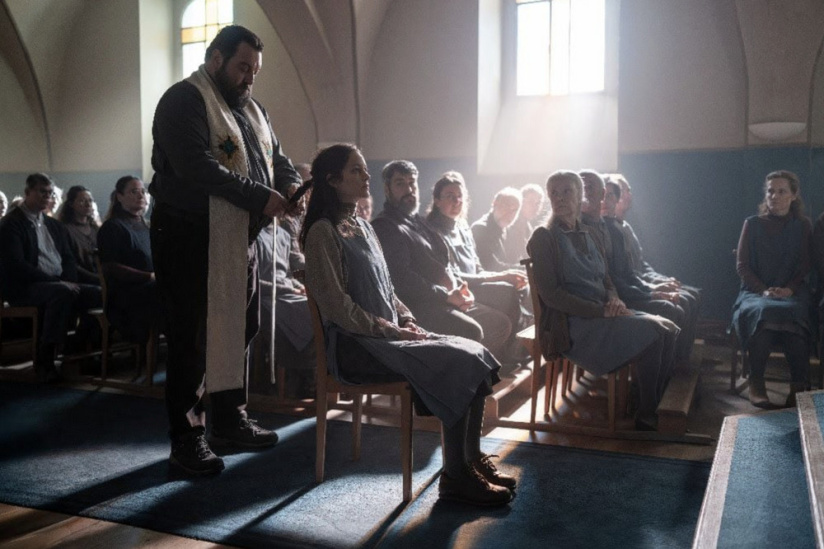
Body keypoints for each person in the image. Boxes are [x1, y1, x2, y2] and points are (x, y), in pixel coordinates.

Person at [301, 143, 514, 506]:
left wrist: (407, 317)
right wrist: (390, 329)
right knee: (458, 360)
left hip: (387, 336)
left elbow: (388, 287)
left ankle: (469, 459)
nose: (366, 176)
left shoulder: (362, 228)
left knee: (474, 350)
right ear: (332, 180)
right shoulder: (323, 232)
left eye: (365, 169)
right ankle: (455, 475)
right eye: (356, 171)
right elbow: (336, 306)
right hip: (357, 346)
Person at [149, 25, 302, 475]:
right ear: (215, 60)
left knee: (241, 328)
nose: (249, 78)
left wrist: (290, 184)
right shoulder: (183, 100)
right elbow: (195, 166)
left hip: (239, 238)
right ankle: (187, 438)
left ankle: (229, 419)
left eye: (254, 70)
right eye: (242, 67)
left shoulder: (253, 109)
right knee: (193, 337)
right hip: (188, 236)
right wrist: (260, 197)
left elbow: (279, 157)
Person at [527, 171, 679, 430]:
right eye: (554, 193)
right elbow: (552, 295)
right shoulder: (544, 237)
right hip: (573, 323)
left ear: (580, 197)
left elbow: (606, 278)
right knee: (653, 332)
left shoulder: (589, 232)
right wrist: (601, 311)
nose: (560, 198)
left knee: (669, 328)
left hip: (602, 312)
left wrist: (614, 300)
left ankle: (644, 400)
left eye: (567, 192)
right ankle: (645, 413)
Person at [371, 160, 512, 359]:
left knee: (499, 322)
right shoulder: (386, 226)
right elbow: (401, 279)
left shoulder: (417, 222)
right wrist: (445, 295)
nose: (409, 189)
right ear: (387, 188)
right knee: (472, 331)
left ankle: (473, 378)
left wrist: (460, 290)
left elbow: (444, 266)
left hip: (444, 299)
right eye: (400, 183)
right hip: (419, 307)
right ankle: (455, 383)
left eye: (412, 183)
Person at [580, 170, 691, 365]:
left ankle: (672, 375)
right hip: (601, 303)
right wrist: (651, 294)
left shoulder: (612, 229)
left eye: (609, 195)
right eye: (584, 189)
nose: (604, 201)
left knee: (678, 306)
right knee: (667, 314)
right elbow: (609, 278)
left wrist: (653, 290)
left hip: (617, 296)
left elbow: (627, 272)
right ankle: (653, 390)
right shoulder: (583, 229)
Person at [0, 173, 102, 382]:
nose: (47, 197)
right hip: (25, 287)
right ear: (28, 193)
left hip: (58, 283)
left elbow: (68, 259)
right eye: (41, 192)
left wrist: (70, 280)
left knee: (98, 294)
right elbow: (17, 265)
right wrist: (59, 282)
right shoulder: (11, 224)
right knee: (61, 293)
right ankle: (45, 360)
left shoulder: (53, 225)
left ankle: (79, 350)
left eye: (50, 193)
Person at [426, 171, 529, 357]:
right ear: (437, 200)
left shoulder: (463, 226)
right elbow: (454, 276)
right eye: (450, 197)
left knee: (515, 287)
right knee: (507, 291)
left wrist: (505, 275)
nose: (456, 201)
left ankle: (510, 352)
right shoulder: (433, 231)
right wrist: (502, 275)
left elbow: (478, 267)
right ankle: (501, 356)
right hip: (459, 289)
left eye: (460, 197)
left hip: (476, 282)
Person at [732, 170, 812, 408]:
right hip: (755, 293)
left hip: (792, 293)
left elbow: (805, 265)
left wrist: (789, 289)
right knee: (762, 312)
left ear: (793, 195)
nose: (774, 196)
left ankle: (798, 387)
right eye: (770, 191)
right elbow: (742, 266)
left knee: (796, 315)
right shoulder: (752, 224)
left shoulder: (802, 225)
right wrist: (763, 289)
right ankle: (757, 383)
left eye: (781, 191)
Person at [97, 176, 161, 345]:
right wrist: (150, 277)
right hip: (127, 296)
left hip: (150, 288)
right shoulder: (113, 227)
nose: (141, 196)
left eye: (143, 191)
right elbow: (111, 267)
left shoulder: (147, 227)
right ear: (119, 196)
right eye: (134, 191)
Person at [471, 187, 524, 272]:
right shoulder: (480, 229)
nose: (510, 213)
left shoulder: (510, 230)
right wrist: (526, 268)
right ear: (495, 203)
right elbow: (491, 266)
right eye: (507, 206)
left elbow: (517, 259)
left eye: (515, 210)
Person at [57, 185, 101, 285]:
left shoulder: (95, 229)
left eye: (90, 200)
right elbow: (70, 263)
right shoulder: (65, 229)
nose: (88, 204)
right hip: (80, 280)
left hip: (99, 276)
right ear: (71, 204)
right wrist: (95, 278)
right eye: (82, 200)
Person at [502, 183, 547, 265]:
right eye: (530, 202)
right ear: (521, 202)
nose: (535, 206)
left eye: (538, 203)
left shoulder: (528, 226)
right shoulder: (510, 223)